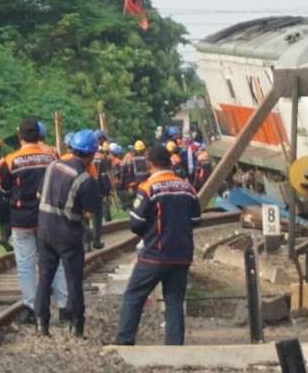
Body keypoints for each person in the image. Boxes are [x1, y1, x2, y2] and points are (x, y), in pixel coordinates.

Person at [115, 145, 201, 346]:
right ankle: (174, 347)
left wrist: (150, 232)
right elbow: (196, 219)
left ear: (150, 163)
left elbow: (135, 223)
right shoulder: (187, 188)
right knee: (174, 301)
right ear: (170, 162)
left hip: (154, 255)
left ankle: (124, 341)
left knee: (134, 295)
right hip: (182, 255)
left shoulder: (148, 188)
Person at [0, 118, 67, 324]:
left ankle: (31, 309)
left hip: (22, 219)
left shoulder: (10, 160)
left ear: (19, 136)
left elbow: (4, 190)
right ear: (39, 135)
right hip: (50, 217)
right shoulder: (53, 155)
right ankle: (65, 308)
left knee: (26, 264)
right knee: (57, 263)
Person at [36, 129, 101, 337]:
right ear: (91, 155)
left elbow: (39, 193)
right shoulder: (85, 179)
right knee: (74, 281)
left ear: (72, 148)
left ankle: (42, 324)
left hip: (44, 230)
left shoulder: (52, 166)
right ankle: (76, 325)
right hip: (68, 235)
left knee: (44, 279)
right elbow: (90, 213)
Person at [118, 141, 149, 210]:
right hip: (145, 183)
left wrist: (127, 183)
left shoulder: (131, 159)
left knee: (136, 200)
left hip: (136, 184)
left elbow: (127, 172)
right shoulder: (147, 159)